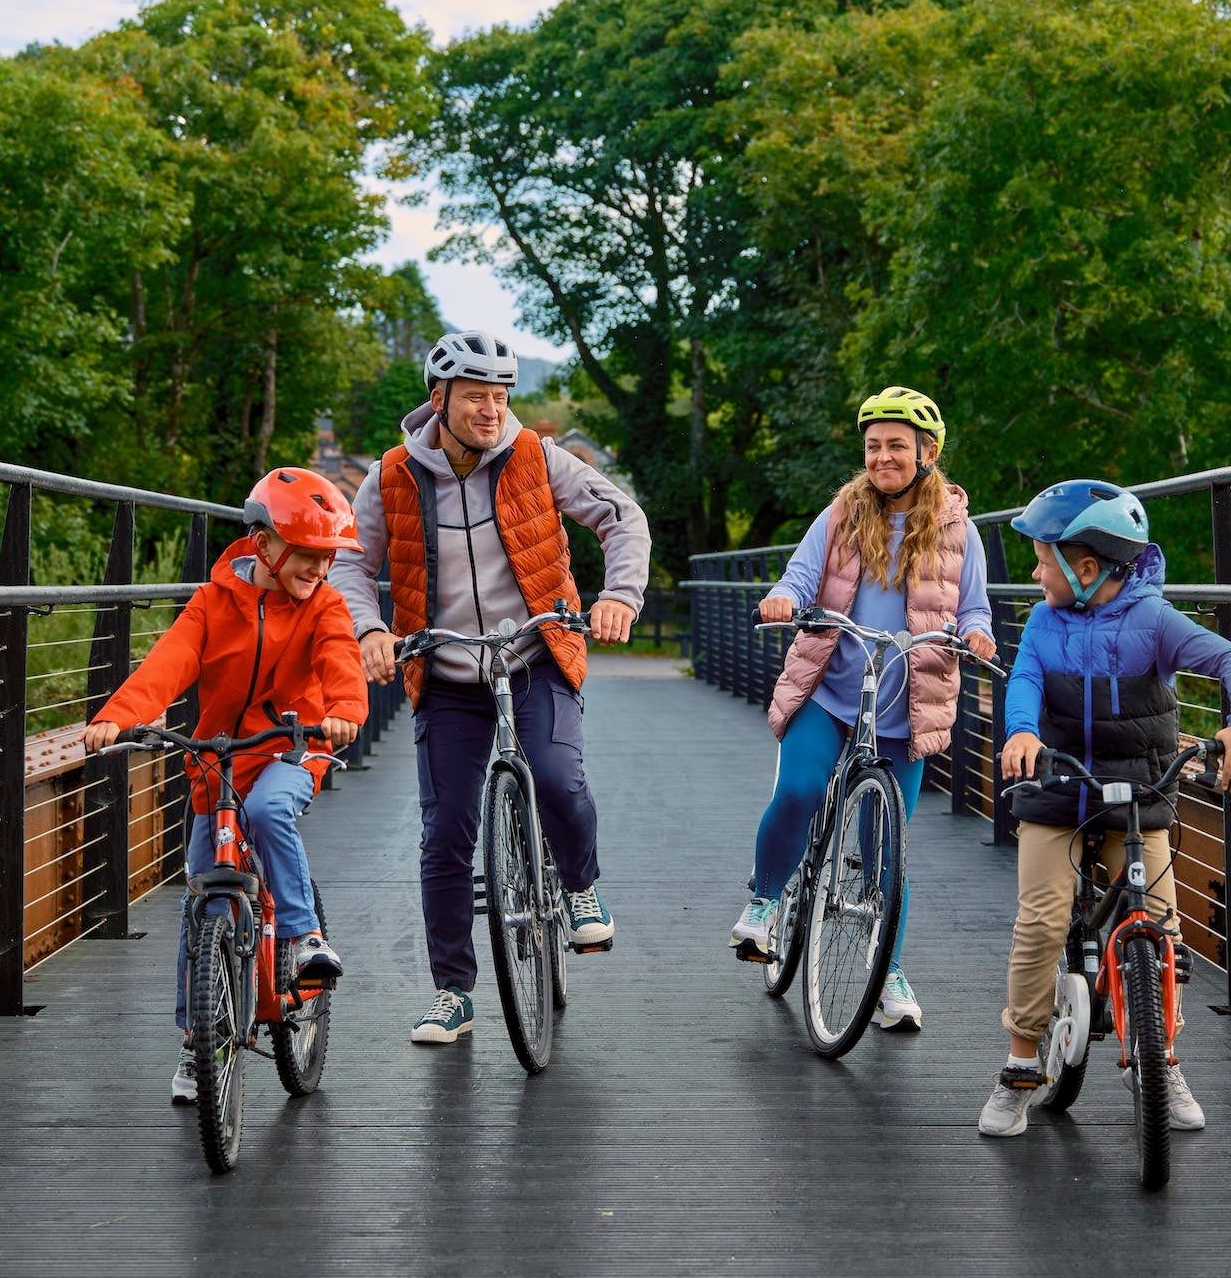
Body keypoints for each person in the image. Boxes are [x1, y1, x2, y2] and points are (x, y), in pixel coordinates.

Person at [329, 329, 651, 1045]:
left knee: (559, 776)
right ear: (438, 398)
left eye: (500, 396)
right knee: (444, 834)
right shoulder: (389, 476)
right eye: (475, 395)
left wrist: (620, 596)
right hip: (445, 670)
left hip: (534, 652)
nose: (490, 409)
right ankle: (452, 991)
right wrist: (369, 629)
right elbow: (350, 562)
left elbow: (621, 517)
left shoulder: (537, 457)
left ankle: (579, 885)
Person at [977, 478, 1231, 1137]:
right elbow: (1022, 681)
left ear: (1085, 569)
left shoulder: (1155, 622)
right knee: (1044, 919)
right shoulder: (1045, 622)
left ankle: (1159, 1059)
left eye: (1042, 559)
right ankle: (1021, 1064)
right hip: (1059, 787)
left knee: (1159, 926)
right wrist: (1021, 731)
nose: (1032, 570)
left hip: (1139, 792)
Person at [84, 467, 369, 1104]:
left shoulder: (323, 605)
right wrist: (119, 716)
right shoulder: (214, 602)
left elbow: (339, 657)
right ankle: (199, 1044)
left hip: (296, 746)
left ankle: (301, 939)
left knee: (270, 810)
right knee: (204, 900)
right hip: (219, 761)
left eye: (328, 558)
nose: (319, 570)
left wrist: (346, 708)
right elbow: (171, 661)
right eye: (309, 555)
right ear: (264, 545)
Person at [730, 387, 997, 1032]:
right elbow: (799, 575)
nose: (882, 457)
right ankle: (765, 903)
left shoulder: (959, 529)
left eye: (896, 447)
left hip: (906, 704)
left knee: (888, 849)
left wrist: (979, 633)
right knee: (798, 789)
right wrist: (782, 599)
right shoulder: (843, 514)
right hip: (831, 686)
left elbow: (974, 606)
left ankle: (887, 968)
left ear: (926, 454)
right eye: (873, 446)